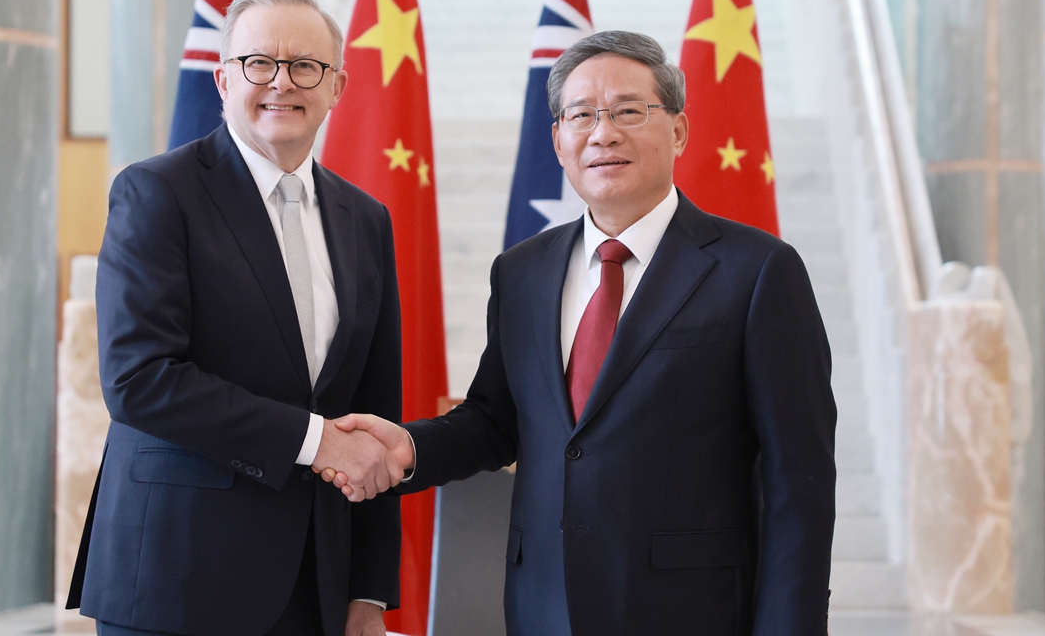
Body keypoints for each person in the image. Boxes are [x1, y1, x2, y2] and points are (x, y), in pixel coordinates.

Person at [328, 31, 837, 635]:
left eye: (628, 111)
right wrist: (407, 449)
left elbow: (798, 480)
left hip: (691, 611)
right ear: (558, 140)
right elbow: (497, 421)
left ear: (677, 130)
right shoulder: (521, 272)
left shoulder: (756, 272)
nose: (603, 133)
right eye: (581, 116)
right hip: (545, 606)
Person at [66, 0, 404, 636]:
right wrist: (316, 440)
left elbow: (373, 410)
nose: (282, 82)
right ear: (223, 81)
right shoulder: (157, 192)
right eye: (258, 63)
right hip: (178, 576)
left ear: (337, 87)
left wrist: (369, 588)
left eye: (305, 66)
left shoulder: (367, 219)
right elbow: (140, 380)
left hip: (317, 584)